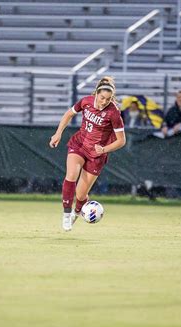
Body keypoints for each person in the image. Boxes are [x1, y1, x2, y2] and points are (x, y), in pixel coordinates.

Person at [49, 76, 126, 231]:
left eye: (108, 99)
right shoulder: (86, 101)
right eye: (102, 97)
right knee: (71, 175)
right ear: (96, 93)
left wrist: (104, 149)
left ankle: (77, 212)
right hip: (79, 145)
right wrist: (58, 133)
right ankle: (65, 214)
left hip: (96, 155)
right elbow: (68, 114)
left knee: (81, 196)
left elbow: (121, 141)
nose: (104, 102)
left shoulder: (113, 113)